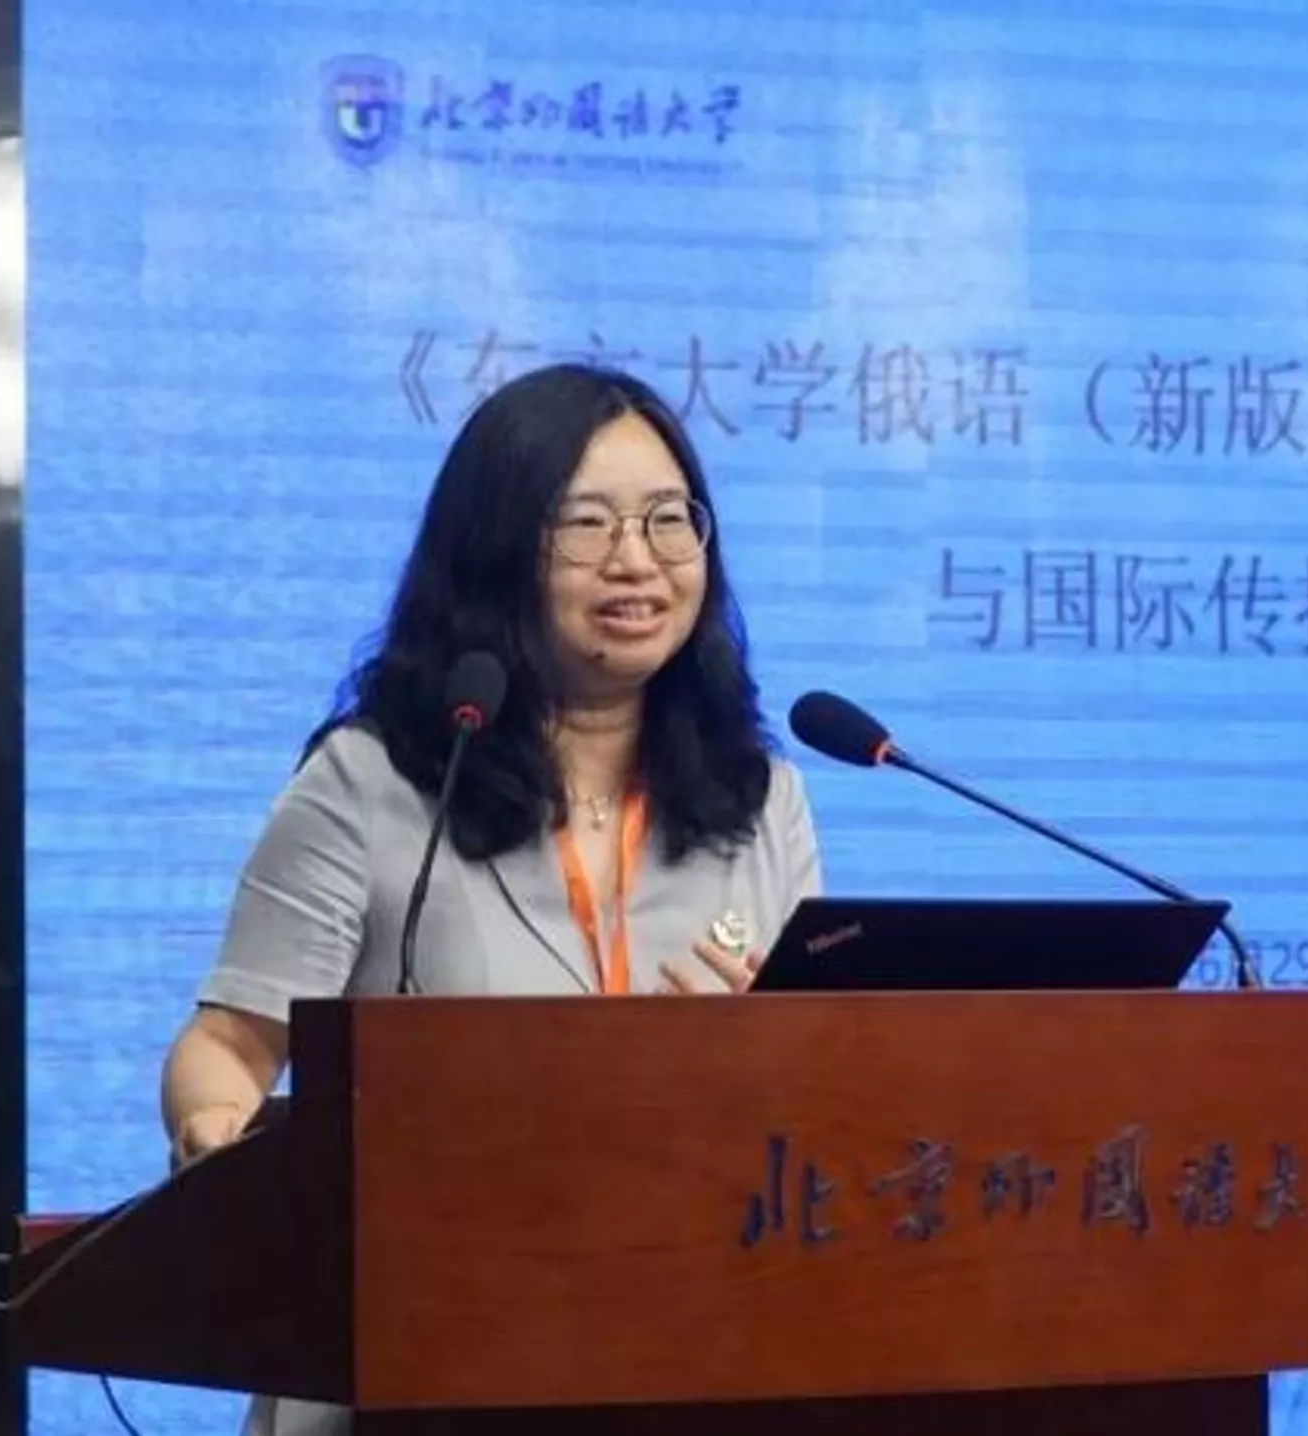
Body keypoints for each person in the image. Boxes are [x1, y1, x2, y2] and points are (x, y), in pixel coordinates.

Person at [158, 362, 823, 1436]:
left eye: (669, 519)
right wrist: (216, 1132)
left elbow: (823, 1084)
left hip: (689, 1352)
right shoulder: (373, 782)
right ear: (498, 548)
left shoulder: (761, 799)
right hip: (415, 1351)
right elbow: (229, 1041)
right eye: (587, 524)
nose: (637, 559)